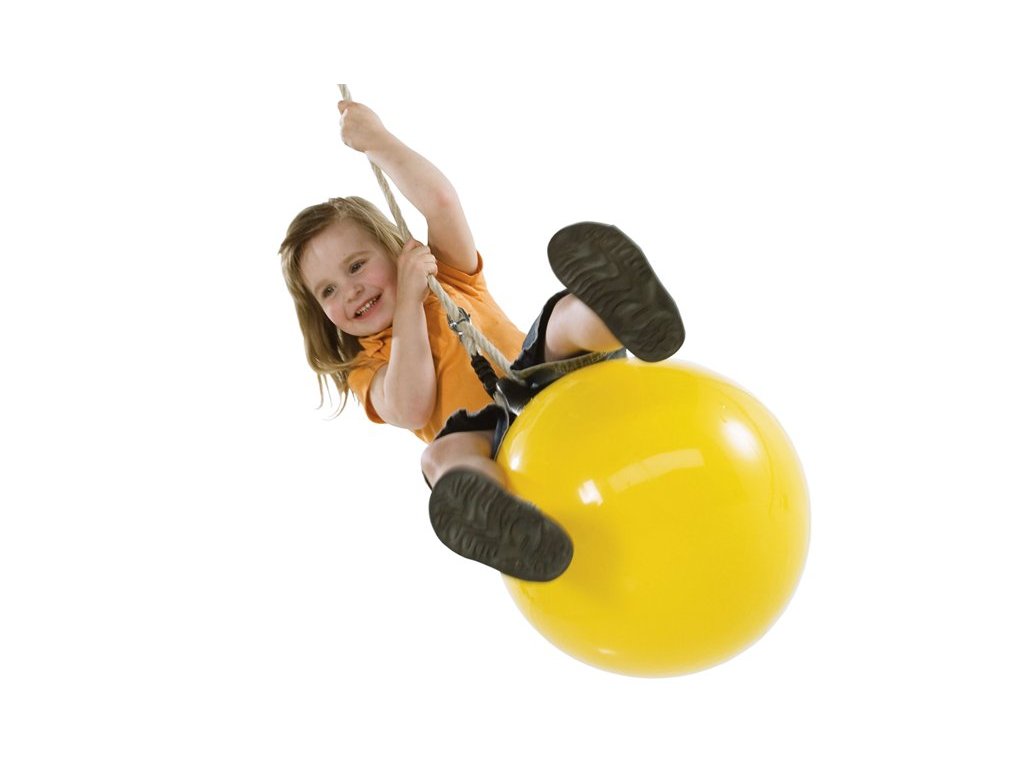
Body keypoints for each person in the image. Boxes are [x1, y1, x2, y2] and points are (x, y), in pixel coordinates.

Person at [279, 99, 684, 582]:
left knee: (561, 321)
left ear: (394, 248)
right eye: (328, 291)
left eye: (356, 265)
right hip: (499, 441)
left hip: (547, 379)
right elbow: (410, 407)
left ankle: (621, 311)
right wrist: (406, 302)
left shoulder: (447, 279)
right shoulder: (368, 367)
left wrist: (379, 141)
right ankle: (511, 526)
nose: (350, 290)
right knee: (439, 459)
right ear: (320, 313)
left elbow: (441, 202)